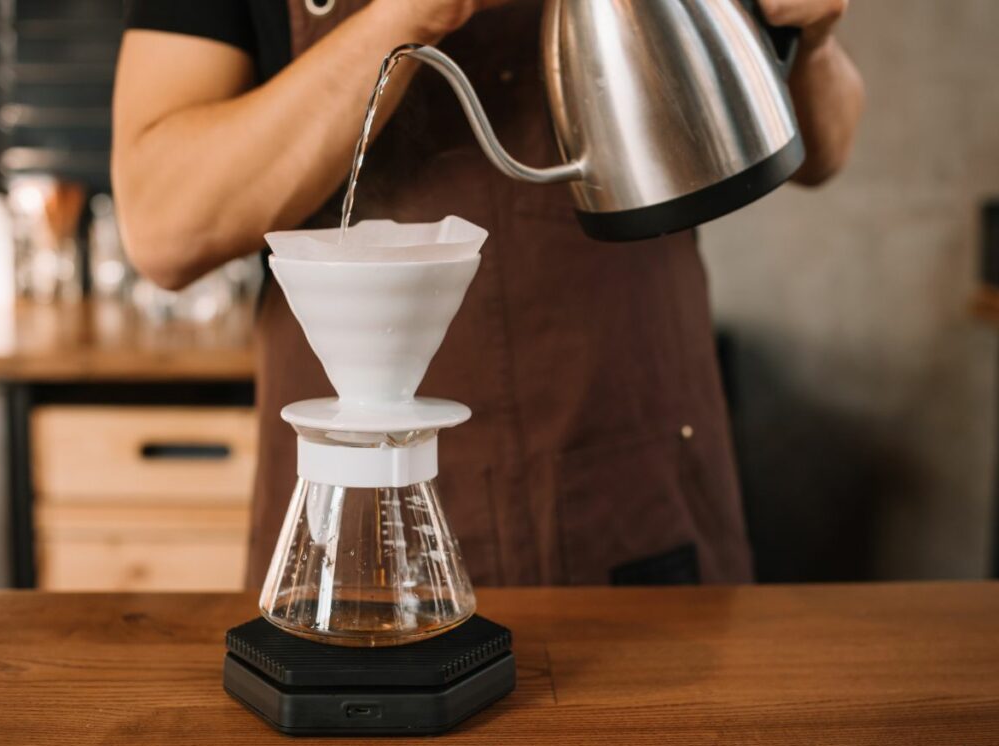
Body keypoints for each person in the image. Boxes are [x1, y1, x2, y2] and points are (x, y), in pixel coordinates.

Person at [113, 0, 864, 587]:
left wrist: (816, 43)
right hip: (357, 513)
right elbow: (164, 227)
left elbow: (823, 147)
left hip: (637, 496)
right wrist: (405, 16)